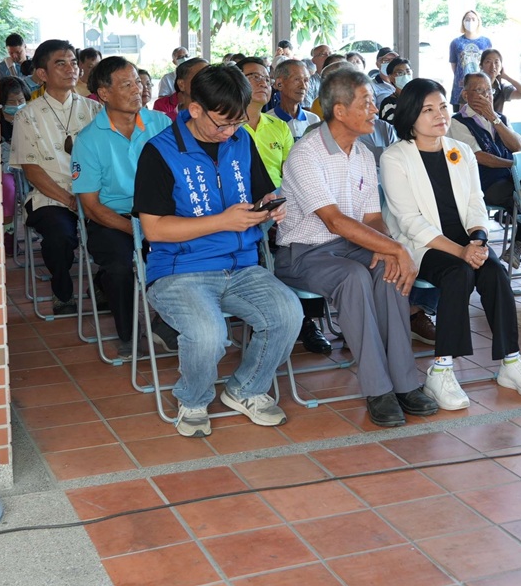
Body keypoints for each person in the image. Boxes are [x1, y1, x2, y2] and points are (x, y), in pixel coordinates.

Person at [134, 65, 303, 435]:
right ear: (195, 109)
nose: (230, 133)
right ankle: (193, 400)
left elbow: (261, 192)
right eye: (223, 124)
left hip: (242, 265)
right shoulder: (159, 152)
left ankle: (246, 389)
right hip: (180, 270)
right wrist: (223, 221)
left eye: (238, 123)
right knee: (208, 334)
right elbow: (154, 228)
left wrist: (270, 205)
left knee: (288, 313)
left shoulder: (240, 141)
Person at [274, 66, 438, 428]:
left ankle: (405, 383)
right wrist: (397, 248)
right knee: (356, 277)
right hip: (302, 253)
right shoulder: (306, 154)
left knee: (387, 270)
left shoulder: (362, 153)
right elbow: (333, 221)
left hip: (350, 245)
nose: (375, 109)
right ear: (339, 110)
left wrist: (389, 246)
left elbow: (372, 219)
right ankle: (378, 390)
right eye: (366, 103)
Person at [382, 79, 521, 410]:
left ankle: (511, 362)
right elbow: (410, 221)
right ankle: (441, 370)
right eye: (428, 110)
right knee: (458, 273)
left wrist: (479, 240)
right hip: (422, 246)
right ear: (410, 116)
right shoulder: (395, 157)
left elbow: (476, 202)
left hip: (466, 242)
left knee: (495, 272)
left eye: (443, 106)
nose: (440, 115)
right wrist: (461, 252)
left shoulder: (460, 151)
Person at [71, 57, 173, 358]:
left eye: (138, 82)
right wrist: (136, 230)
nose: (137, 90)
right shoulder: (88, 140)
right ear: (104, 94)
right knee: (119, 266)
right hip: (113, 218)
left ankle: (170, 325)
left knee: (188, 252)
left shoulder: (161, 124)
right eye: (127, 84)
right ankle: (129, 335)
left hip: (160, 213)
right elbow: (91, 206)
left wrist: (156, 226)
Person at [242, 56, 332, 357]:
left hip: (280, 204)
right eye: (253, 77)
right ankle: (270, 316)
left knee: (316, 230)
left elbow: (292, 172)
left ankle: (308, 320)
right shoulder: (228, 128)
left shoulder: (278, 127)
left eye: (264, 77)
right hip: (245, 207)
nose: (262, 82)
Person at [449, 71, 521, 287]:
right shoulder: (457, 122)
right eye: (479, 91)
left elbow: (517, 146)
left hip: (511, 181)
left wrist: (494, 119)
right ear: (466, 95)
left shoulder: (500, 118)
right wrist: (513, 164)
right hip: (484, 184)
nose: (486, 96)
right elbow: (478, 157)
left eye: (489, 90)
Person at [11, 40, 101, 315]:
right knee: (59, 236)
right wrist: (70, 200)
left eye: (73, 62)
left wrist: (90, 198)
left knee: (115, 232)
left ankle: (103, 284)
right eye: (60, 63)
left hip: (95, 194)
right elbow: (32, 170)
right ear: (42, 74)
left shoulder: (94, 110)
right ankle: (63, 293)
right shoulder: (27, 116)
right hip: (50, 195)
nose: (71, 68)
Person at [0, 76, 26, 258]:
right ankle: (9, 234)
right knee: (8, 189)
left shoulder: (30, 116)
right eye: (11, 102)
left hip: (29, 165)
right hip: (5, 168)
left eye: (20, 101)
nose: (17, 105)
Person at [268, 57, 321, 138]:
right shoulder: (267, 121)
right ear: (279, 84)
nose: (303, 86)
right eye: (297, 79)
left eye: (306, 80)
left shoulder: (313, 120)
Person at [448, 9, 492, 101]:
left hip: (481, 86)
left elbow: (489, 63)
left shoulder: (486, 42)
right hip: (461, 86)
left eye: (473, 19)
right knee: (460, 109)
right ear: (463, 22)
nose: (470, 22)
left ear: (478, 22)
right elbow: (454, 65)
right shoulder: (456, 42)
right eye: (467, 19)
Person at [478, 48, 521, 117]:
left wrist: (506, 76)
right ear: (481, 66)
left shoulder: (502, 89)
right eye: (488, 62)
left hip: (496, 123)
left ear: (501, 67)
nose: (493, 66)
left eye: (496, 62)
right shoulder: (473, 87)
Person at [377, 57, 413, 123]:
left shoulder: (419, 96)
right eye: (400, 73)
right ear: (390, 77)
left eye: (408, 71)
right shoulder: (389, 103)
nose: (405, 75)